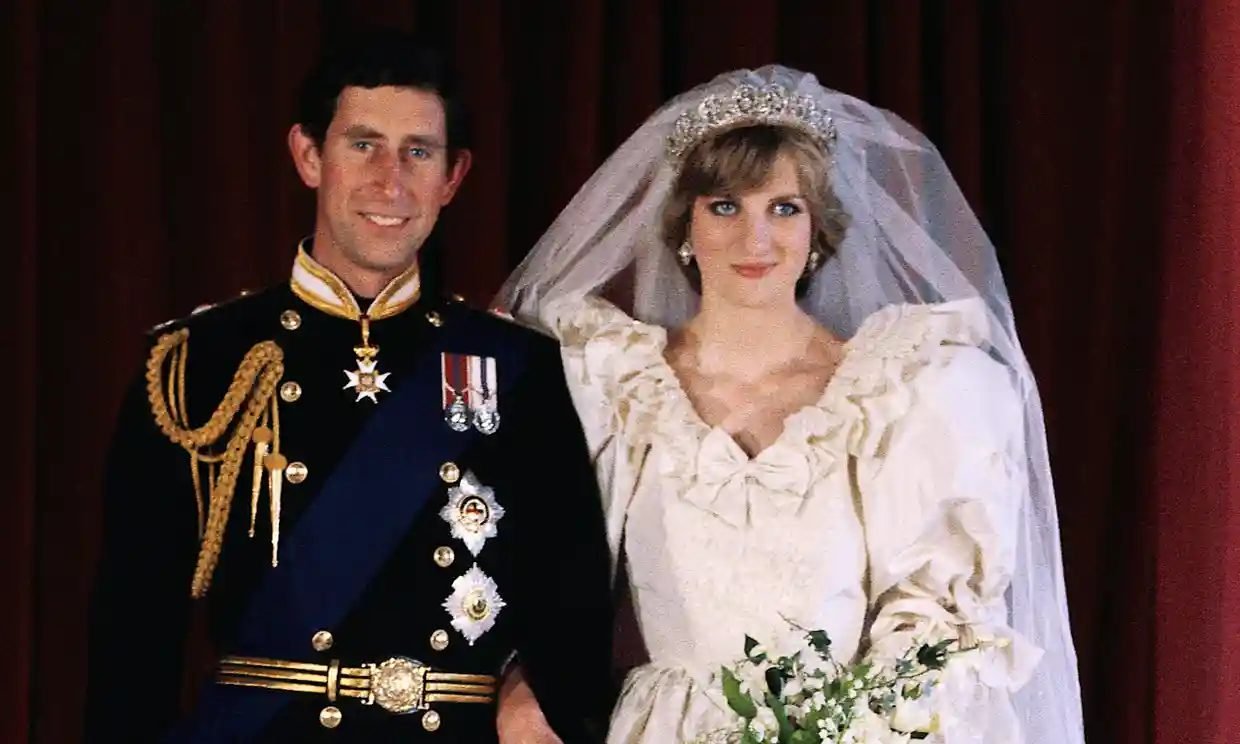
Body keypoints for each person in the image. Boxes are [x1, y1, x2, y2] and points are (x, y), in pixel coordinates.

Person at [495, 65, 1086, 743]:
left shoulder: (898, 394)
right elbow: (536, 567)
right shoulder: (613, 383)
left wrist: (855, 728)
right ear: (684, 225)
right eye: (725, 206)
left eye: (784, 208)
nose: (756, 240)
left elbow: (933, 624)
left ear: (817, 231)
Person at [83, 30, 613, 743]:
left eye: (418, 152)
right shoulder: (199, 363)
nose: (390, 181)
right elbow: (133, 633)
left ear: (452, 177)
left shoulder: (515, 368)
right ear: (309, 156)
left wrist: (536, 696)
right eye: (363, 144)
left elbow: (572, 604)